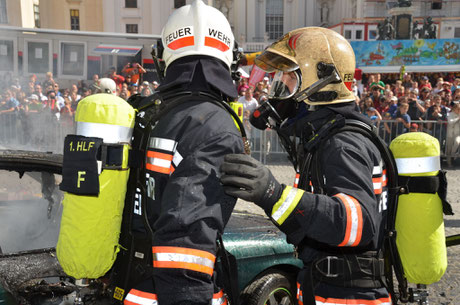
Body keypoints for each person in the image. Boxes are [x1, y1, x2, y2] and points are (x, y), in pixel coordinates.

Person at [220, 27, 392, 304]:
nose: (281, 86)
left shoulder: (342, 143)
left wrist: (273, 195)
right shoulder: (326, 137)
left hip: (347, 296)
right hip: (328, 286)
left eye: (289, 76)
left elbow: (358, 224)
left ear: (322, 79)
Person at [121, 1, 245, 305]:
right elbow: (186, 244)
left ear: (164, 57)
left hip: (126, 283)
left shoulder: (143, 111)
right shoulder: (214, 125)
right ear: (229, 58)